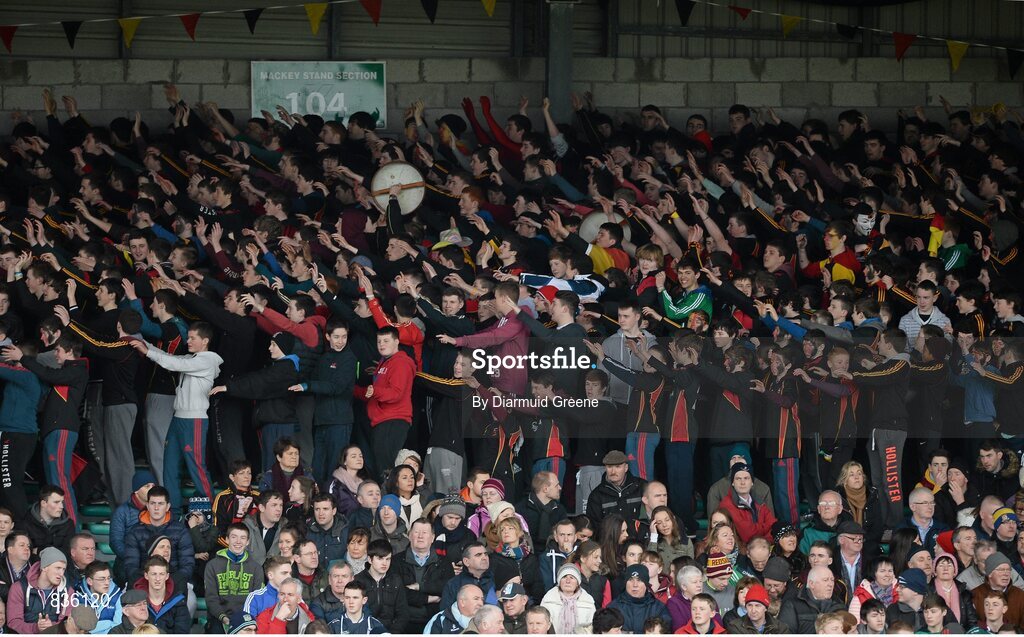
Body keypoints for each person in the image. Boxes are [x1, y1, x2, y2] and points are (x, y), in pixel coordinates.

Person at [129, 322, 223, 510]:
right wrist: (142, 342)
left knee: (196, 466)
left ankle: (213, 510)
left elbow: (175, 363)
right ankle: (173, 510)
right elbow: (169, 357)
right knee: (169, 467)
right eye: (187, 337)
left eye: (192, 338)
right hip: (177, 418)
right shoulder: (193, 358)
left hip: (194, 420)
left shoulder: (207, 360)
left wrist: (147, 352)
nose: (188, 341)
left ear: (205, 341)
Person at [359, 326, 416, 481]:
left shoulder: (401, 363)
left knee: (386, 469)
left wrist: (374, 391)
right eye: (379, 341)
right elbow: (375, 391)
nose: (381, 344)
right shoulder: (385, 362)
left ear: (396, 341)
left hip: (393, 419)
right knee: (381, 466)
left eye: (386, 340)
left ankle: (390, 502)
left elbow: (396, 393)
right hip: (381, 419)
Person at [122, 486, 195, 585]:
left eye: (160, 504)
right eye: (152, 503)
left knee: (190, 600)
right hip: (143, 582)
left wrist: (169, 582)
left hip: (176, 582)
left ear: (168, 506)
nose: (156, 508)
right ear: (147, 505)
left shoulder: (180, 530)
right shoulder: (135, 531)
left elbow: (188, 565)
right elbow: (130, 567)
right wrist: (151, 582)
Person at [204, 522, 263, 629]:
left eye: (243, 538)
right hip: (220, 618)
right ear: (227, 539)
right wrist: (224, 619)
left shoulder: (256, 568)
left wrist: (244, 621)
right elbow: (211, 598)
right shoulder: (212, 565)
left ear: (248, 542)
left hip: (246, 619)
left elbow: (257, 599)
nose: (238, 542)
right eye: (234, 537)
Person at [7, 547, 71, 633]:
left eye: (63, 569)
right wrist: (36, 628)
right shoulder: (19, 588)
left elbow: (69, 624)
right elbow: (13, 622)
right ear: (44, 568)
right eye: (58, 568)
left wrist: (51, 627)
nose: (61, 573)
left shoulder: (68, 591)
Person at [354, 539, 410, 633]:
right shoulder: (358, 580)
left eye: (388, 559)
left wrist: (392, 633)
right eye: (380, 558)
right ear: (369, 559)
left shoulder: (396, 580)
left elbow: (403, 614)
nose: (385, 563)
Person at [586, 451, 647, 527]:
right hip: (610, 538)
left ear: (626, 468)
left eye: (618, 466)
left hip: (639, 538)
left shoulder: (642, 486)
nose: (613, 471)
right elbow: (594, 526)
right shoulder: (596, 495)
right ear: (605, 468)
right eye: (609, 467)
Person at [778, 566, 845, 633]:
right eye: (825, 580)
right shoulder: (792, 606)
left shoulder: (840, 606)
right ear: (811, 584)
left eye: (832, 580)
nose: (830, 584)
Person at [134, 556, 191, 634]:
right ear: (146, 576)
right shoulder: (135, 601)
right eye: (154, 574)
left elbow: (182, 633)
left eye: (161, 574)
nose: (158, 578)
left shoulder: (178, 602)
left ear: (167, 576)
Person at [607, 564, 671, 633]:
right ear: (625, 583)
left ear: (646, 584)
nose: (635, 585)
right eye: (631, 579)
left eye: (639, 580)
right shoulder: (613, 608)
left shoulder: (659, 608)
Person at [540, 563, 597, 633]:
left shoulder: (588, 602)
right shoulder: (548, 600)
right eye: (564, 577)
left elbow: (592, 628)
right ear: (559, 582)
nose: (568, 581)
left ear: (577, 583)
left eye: (572, 577)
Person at [21, 486, 75, 556]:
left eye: (62, 502)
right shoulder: (25, 522)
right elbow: (23, 551)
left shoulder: (69, 524)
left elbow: (68, 552)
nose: (61, 506)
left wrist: (39, 550)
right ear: (43, 503)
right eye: (56, 502)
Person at [74, 561, 124, 633]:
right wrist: (108, 623)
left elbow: (118, 628)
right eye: (102, 579)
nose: (107, 583)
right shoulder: (78, 597)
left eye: (108, 578)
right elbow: (81, 630)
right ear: (89, 581)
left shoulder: (118, 595)